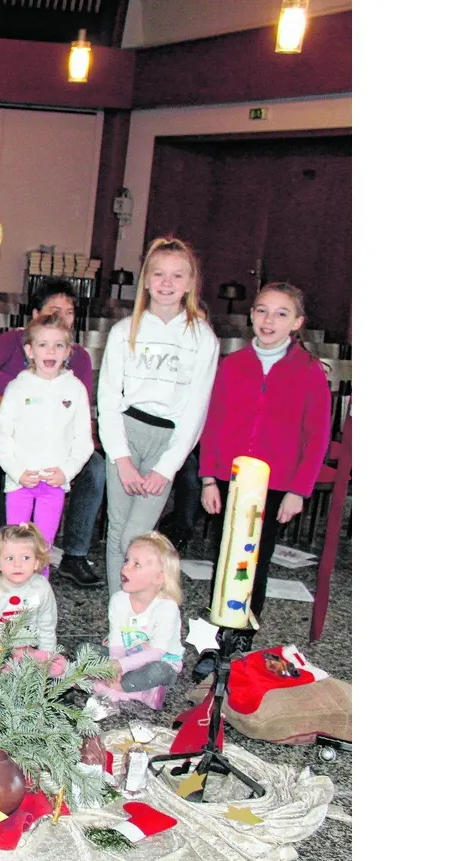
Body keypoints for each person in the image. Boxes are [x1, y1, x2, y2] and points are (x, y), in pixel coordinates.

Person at [193, 283, 332, 674]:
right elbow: (214, 423)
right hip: (229, 479)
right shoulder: (232, 365)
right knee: (224, 554)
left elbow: (316, 435)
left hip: (275, 485)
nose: (269, 320)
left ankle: (241, 631)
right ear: (251, 315)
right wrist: (208, 479)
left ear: (297, 323)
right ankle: (218, 628)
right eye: (262, 311)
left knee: (257, 558)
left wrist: (298, 491)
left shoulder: (308, 371)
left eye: (281, 313)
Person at [96, 237, 219, 595]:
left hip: (166, 441)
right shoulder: (124, 332)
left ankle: (138, 607)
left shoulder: (202, 338)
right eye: (159, 274)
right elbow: (107, 398)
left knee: (136, 534)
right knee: (118, 528)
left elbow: (196, 409)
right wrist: (120, 457)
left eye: (177, 276)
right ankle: (119, 613)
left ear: (190, 283)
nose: (167, 283)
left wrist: (167, 467)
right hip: (126, 432)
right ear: (146, 280)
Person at [0, 279, 104, 587]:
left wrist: (66, 472)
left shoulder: (74, 389)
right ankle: (7, 602)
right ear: (30, 350)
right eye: (43, 345)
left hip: (54, 483)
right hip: (20, 480)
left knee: (42, 548)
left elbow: (82, 440)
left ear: (68, 351)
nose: (51, 351)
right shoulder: (18, 386)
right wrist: (17, 471)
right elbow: (1, 437)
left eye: (59, 345)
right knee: (14, 547)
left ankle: (36, 604)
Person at [91, 532, 185, 711]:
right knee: (86, 651)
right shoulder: (119, 600)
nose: (125, 568)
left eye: (136, 565)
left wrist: (120, 666)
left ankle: (119, 689)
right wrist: (114, 665)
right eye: (127, 560)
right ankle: (135, 691)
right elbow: (116, 641)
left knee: (159, 671)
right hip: (126, 658)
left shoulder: (167, 608)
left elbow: (156, 653)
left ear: (159, 578)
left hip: (159, 662)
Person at [0, 523, 60, 661]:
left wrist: (46, 657)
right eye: (10, 558)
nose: (17, 564)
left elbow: (47, 624)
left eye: (25, 558)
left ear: (37, 562)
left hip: (24, 650)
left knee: (60, 666)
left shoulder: (41, 587)